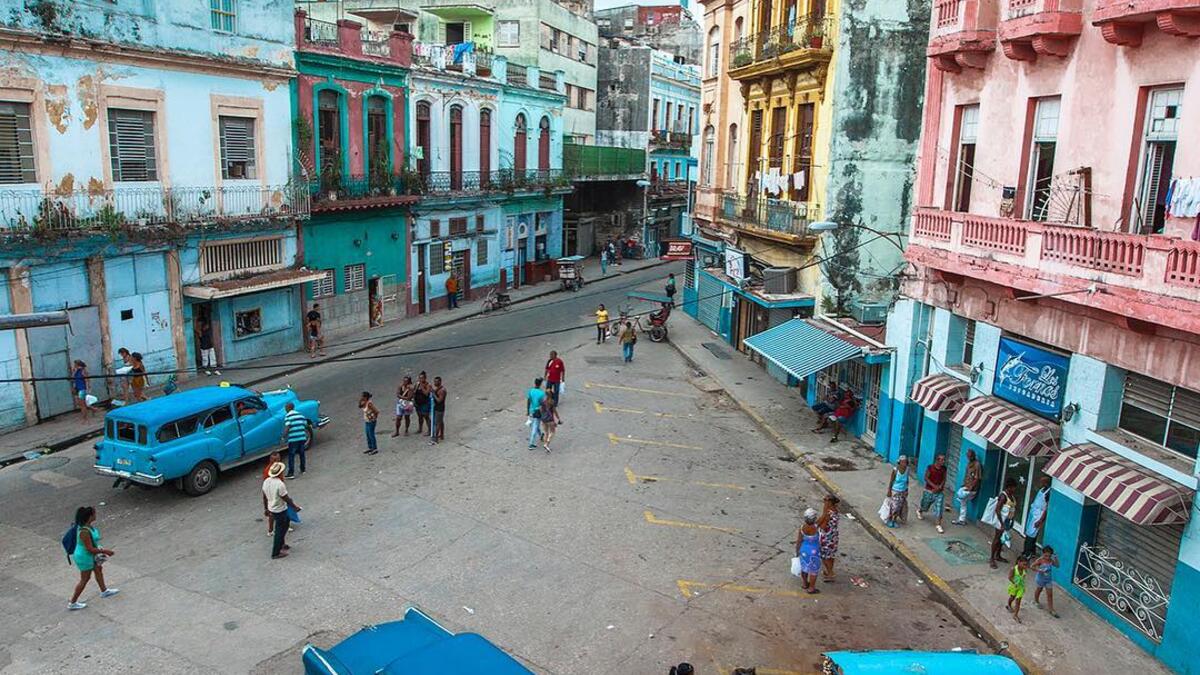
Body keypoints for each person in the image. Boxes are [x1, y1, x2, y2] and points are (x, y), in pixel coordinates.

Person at [67, 506, 118, 610]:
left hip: (89, 555)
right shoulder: (84, 531)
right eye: (94, 514)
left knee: (98, 570)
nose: (96, 515)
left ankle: (104, 591)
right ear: (90, 517)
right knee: (85, 579)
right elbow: (90, 549)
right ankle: (73, 602)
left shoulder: (87, 527)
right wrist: (105, 551)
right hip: (84, 557)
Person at [262, 462, 298, 559]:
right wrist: (294, 506)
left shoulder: (266, 481)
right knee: (280, 529)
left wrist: (266, 508)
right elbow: (285, 497)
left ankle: (282, 544)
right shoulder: (279, 484)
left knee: (285, 524)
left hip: (272, 507)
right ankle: (276, 552)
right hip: (280, 509)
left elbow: (264, 496)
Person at [989, 480, 1019, 569]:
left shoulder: (1011, 496)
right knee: (997, 539)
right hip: (1001, 521)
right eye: (1013, 487)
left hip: (1007, 521)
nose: (1014, 489)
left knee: (1002, 539)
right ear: (1009, 487)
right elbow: (997, 510)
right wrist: (1001, 523)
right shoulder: (1003, 496)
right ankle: (992, 558)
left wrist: (1012, 520)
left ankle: (998, 555)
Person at [917, 454, 948, 533]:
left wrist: (940, 486)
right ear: (937, 460)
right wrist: (934, 486)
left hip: (939, 492)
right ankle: (920, 510)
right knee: (925, 505)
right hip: (929, 490)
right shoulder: (930, 468)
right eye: (942, 460)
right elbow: (926, 478)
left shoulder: (944, 469)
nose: (943, 461)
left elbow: (944, 478)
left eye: (944, 460)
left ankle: (938, 524)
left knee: (939, 507)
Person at [1023, 475, 1051, 558]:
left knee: (1030, 535)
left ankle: (1027, 553)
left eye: (1042, 482)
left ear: (1046, 483)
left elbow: (1046, 508)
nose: (1040, 483)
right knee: (1029, 532)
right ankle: (1032, 551)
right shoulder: (1042, 490)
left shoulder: (1048, 493)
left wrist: (1040, 520)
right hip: (1033, 512)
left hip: (1038, 516)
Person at [795, 508, 821, 594]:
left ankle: (805, 583)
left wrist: (797, 551)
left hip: (804, 550)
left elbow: (799, 541)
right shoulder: (816, 527)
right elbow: (824, 518)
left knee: (804, 568)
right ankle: (811, 588)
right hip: (814, 551)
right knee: (814, 570)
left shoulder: (802, 528)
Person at [952, 449, 982, 525]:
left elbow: (977, 478)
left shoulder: (977, 465)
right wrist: (964, 484)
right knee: (963, 502)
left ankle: (962, 519)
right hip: (967, 486)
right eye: (968, 456)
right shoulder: (969, 464)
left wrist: (971, 487)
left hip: (972, 489)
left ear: (973, 456)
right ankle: (962, 520)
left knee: (961, 497)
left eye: (970, 456)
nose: (969, 458)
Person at [1032, 546, 1060, 618]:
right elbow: (1032, 566)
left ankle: (1051, 609)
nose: (1047, 557)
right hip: (1040, 579)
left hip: (1048, 580)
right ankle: (1036, 600)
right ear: (1043, 554)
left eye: (1049, 556)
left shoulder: (1051, 560)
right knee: (1039, 590)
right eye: (1046, 555)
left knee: (1050, 594)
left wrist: (1056, 558)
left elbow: (1057, 565)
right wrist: (1039, 570)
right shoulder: (1040, 560)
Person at [818, 495, 841, 582]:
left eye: (826, 500)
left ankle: (830, 573)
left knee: (824, 556)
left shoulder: (828, 513)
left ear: (830, 502)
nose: (824, 501)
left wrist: (824, 513)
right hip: (833, 536)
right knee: (831, 555)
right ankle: (829, 571)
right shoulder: (835, 511)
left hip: (826, 537)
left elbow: (823, 526)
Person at [884, 455, 911, 528]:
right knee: (894, 506)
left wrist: (906, 490)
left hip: (902, 491)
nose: (904, 464)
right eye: (902, 462)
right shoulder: (895, 470)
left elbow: (907, 481)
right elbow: (891, 481)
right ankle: (890, 519)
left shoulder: (907, 470)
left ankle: (894, 520)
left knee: (899, 507)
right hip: (895, 491)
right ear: (899, 462)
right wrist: (889, 490)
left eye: (905, 462)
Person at [283, 402, 308, 478]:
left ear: (288, 408)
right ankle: (303, 469)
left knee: (291, 455)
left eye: (285, 408)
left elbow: (288, 426)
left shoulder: (288, 416)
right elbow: (305, 424)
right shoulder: (300, 415)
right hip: (302, 437)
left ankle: (291, 473)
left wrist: (284, 436)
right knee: (302, 454)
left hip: (293, 439)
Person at [261, 450, 283, 536]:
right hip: (272, 493)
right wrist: (265, 507)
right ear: (270, 460)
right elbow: (265, 486)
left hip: (279, 490)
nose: (277, 462)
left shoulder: (279, 467)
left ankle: (283, 525)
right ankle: (270, 530)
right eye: (275, 460)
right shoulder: (267, 471)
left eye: (278, 459)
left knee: (281, 509)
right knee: (272, 512)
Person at [539, 383, 561, 452]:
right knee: (553, 432)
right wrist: (558, 419)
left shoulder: (543, 401)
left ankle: (545, 444)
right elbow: (555, 411)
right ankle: (547, 443)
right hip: (550, 419)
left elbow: (540, 410)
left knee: (546, 432)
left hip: (544, 419)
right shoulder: (551, 402)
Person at [1006, 555, 1029, 623]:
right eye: (1024, 564)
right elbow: (1009, 577)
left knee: (1018, 601)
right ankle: (1009, 604)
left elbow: (1023, 576)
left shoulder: (1024, 569)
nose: (1025, 566)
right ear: (1019, 562)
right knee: (1012, 597)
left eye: (1026, 564)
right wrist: (1014, 583)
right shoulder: (1013, 569)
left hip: (1021, 587)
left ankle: (1015, 615)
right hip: (1014, 586)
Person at [527, 377, 547, 449]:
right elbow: (543, 404)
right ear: (540, 384)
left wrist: (527, 411)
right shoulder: (541, 393)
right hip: (538, 411)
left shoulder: (531, 391)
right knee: (535, 426)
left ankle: (540, 435)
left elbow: (529, 401)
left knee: (536, 424)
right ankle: (531, 443)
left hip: (531, 411)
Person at [430, 376, 447, 444]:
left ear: (440, 382)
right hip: (437, 407)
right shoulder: (438, 388)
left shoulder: (442, 390)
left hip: (439, 408)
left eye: (436, 382)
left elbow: (439, 400)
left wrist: (433, 394)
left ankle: (435, 438)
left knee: (437, 423)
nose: (435, 383)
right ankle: (442, 435)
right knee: (440, 421)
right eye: (434, 381)